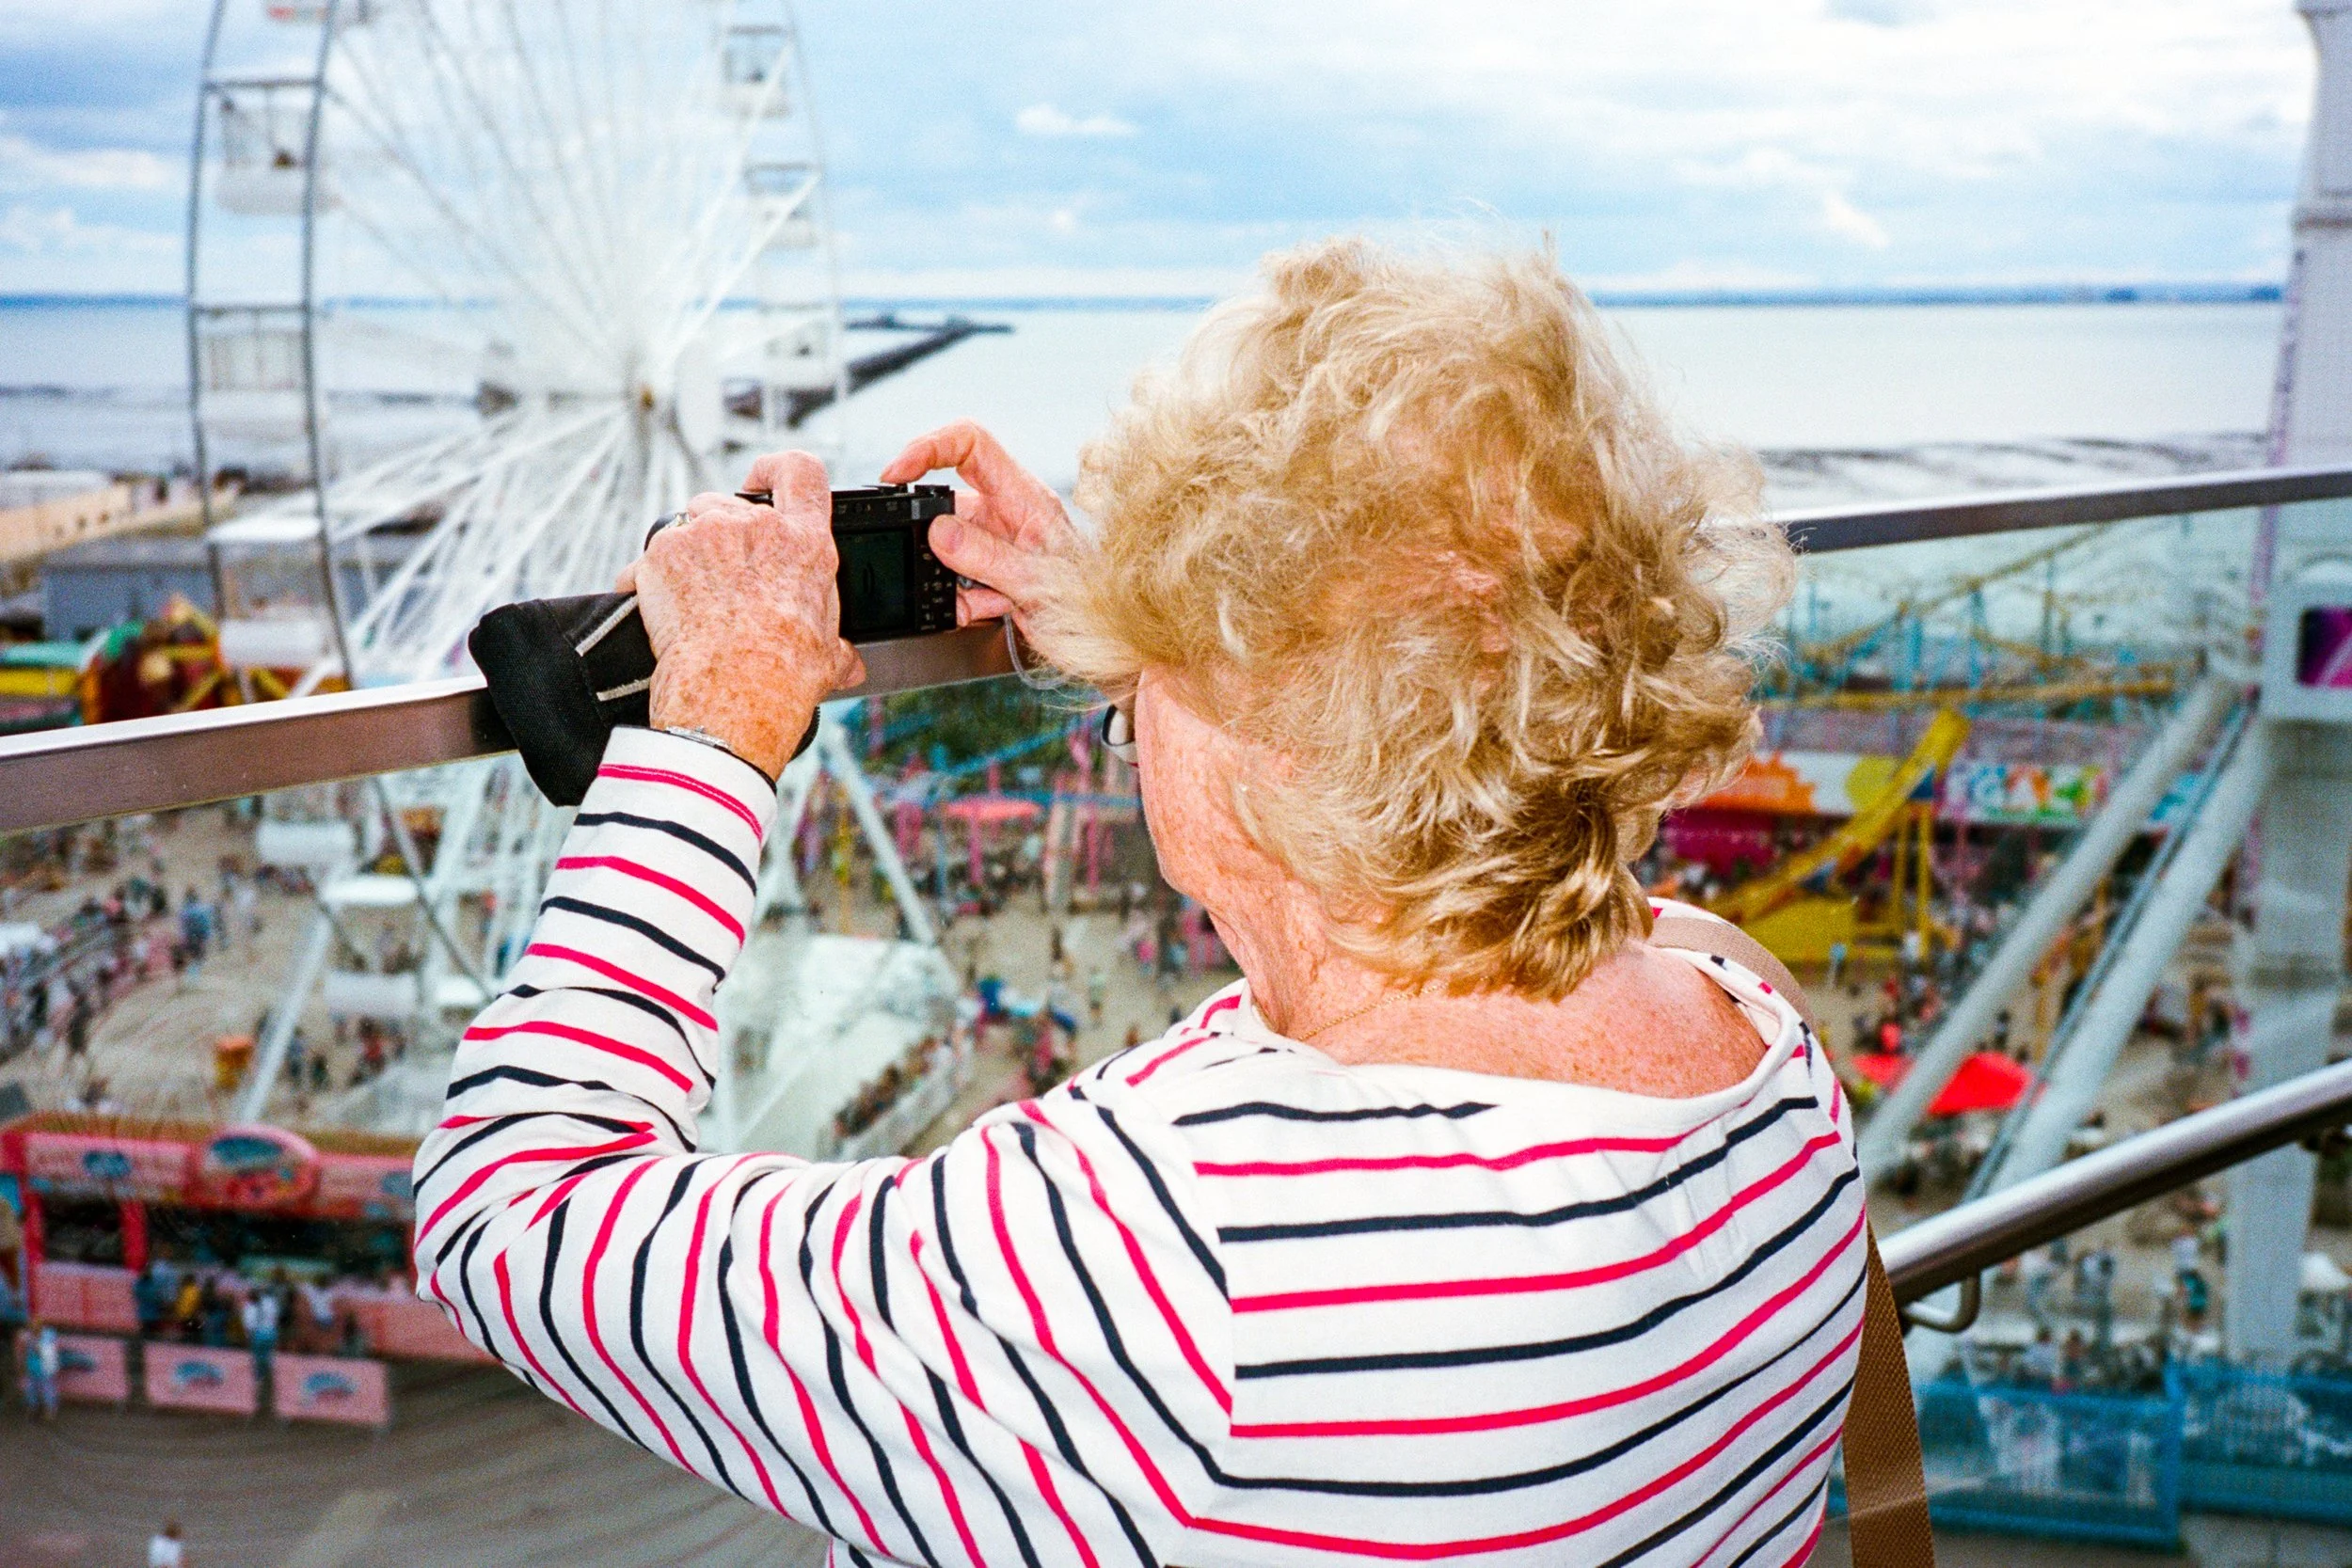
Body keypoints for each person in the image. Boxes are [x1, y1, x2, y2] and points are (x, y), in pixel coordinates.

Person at [413, 240, 1851, 1565]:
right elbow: (1425, 754)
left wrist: (714, 729)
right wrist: (1142, 631)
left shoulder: (1169, 1259)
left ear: (1264, 722)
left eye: (1165, 649)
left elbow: (511, 1204)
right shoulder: (1758, 1041)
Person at [21, 1315, 57, 1420]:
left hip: (45, 1367)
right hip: (31, 1366)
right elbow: (23, 1351)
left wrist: (36, 1345)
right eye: (31, 1327)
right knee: (30, 1389)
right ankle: (33, 1408)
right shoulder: (27, 1336)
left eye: (35, 1327)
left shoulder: (48, 1335)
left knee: (47, 1389)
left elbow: (49, 1350)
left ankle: (50, 1409)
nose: (33, 1329)